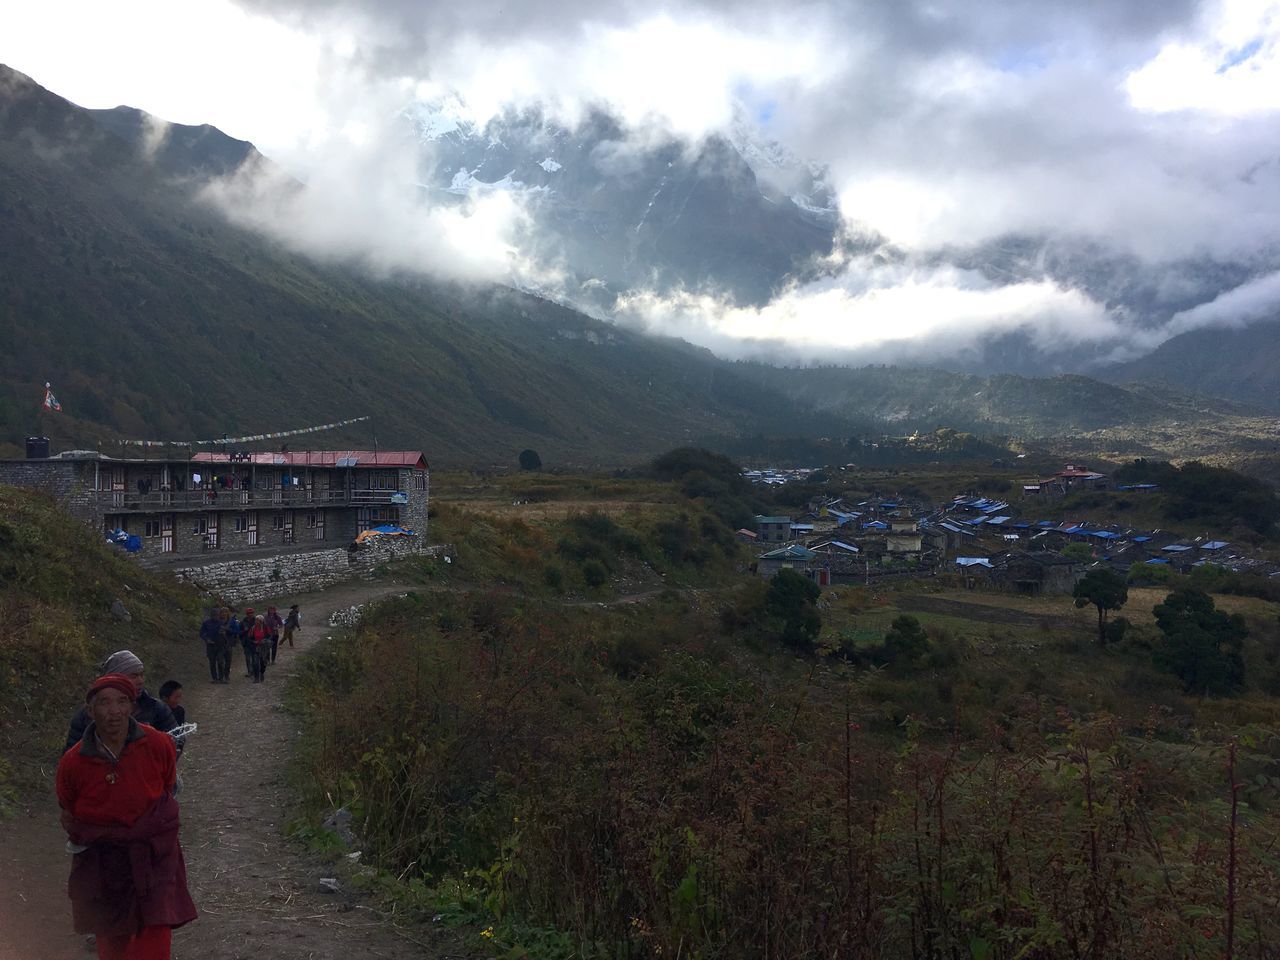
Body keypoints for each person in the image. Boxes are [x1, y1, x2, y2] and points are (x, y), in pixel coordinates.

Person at [57, 673, 198, 959]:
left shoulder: (158, 745)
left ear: (132, 708)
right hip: (104, 862)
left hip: (153, 855)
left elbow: (167, 787)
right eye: (105, 703)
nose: (114, 711)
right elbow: (69, 808)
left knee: (153, 942)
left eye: (122, 701)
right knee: (112, 945)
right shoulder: (73, 762)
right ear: (90, 711)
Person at [64, 652, 177, 754]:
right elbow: (72, 753)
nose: (140, 681)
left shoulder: (156, 708)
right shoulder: (88, 714)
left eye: (141, 675)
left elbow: (176, 739)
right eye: (133, 676)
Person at [198, 610, 222, 683]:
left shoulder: (222, 622)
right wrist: (206, 639)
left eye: (217, 615)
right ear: (211, 615)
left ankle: (221, 677)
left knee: (220, 661)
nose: (215, 616)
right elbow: (202, 633)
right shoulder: (206, 623)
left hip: (220, 645)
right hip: (210, 645)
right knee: (212, 662)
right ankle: (214, 678)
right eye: (214, 615)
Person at [248, 615, 270, 683]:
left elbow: (269, 636)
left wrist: (264, 641)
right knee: (255, 663)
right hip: (255, 647)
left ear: (261, 621)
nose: (256, 622)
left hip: (263, 648)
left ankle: (261, 673)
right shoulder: (253, 628)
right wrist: (254, 641)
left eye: (258, 620)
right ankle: (256, 678)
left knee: (263, 663)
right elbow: (249, 638)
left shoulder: (265, 627)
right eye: (256, 620)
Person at [239, 608, 256, 677]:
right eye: (249, 613)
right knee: (248, 658)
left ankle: (255, 671)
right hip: (246, 642)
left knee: (254, 657)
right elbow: (239, 633)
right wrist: (244, 632)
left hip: (255, 642)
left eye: (251, 613)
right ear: (247, 614)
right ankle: (250, 672)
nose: (250, 614)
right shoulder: (242, 622)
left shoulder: (257, 621)